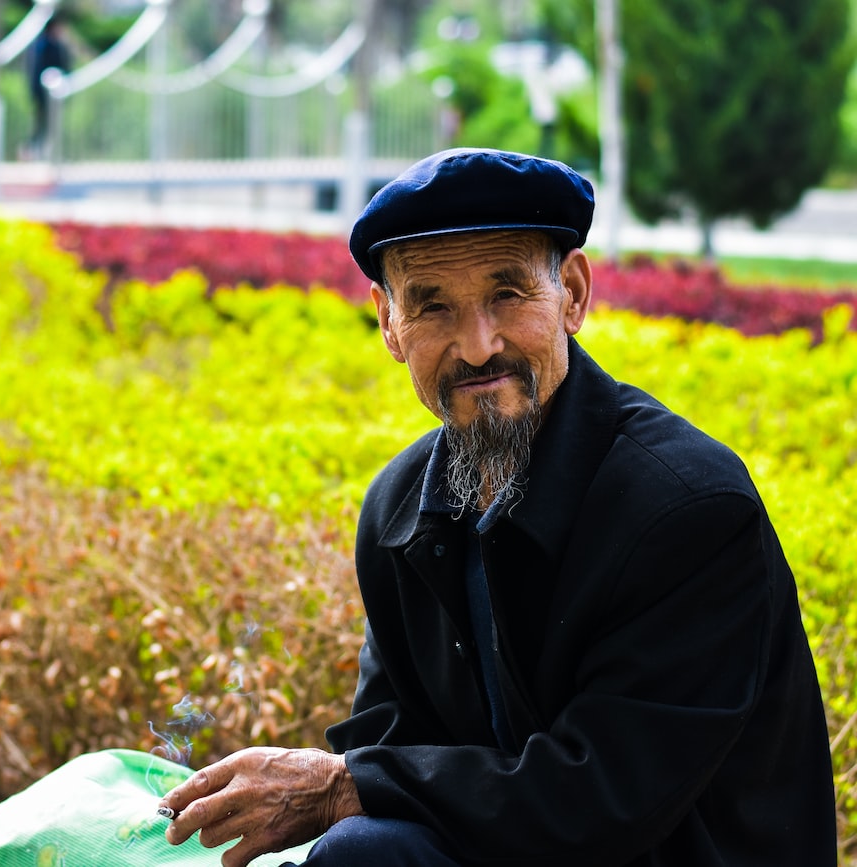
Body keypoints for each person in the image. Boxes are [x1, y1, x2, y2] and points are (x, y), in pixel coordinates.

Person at [158, 148, 837, 866]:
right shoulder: (400, 506)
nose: (478, 345)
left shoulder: (688, 508)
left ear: (572, 294)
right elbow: (390, 745)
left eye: (508, 294)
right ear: (388, 323)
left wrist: (341, 785)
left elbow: (603, 799)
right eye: (432, 306)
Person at [25, 15, 69, 159]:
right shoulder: (44, 45)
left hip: (52, 91)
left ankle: (44, 151)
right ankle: (33, 151)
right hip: (42, 91)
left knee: (48, 122)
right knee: (42, 121)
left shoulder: (52, 44)